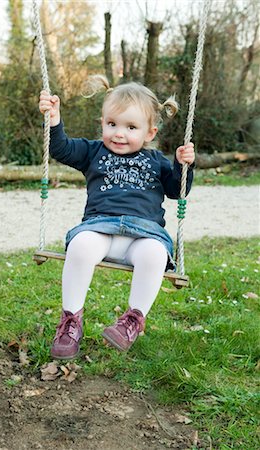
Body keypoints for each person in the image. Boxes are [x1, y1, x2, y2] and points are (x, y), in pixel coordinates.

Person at [39, 75, 195, 360]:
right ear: (102, 123)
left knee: (155, 255)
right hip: (101, 231)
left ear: (150, 132)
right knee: (81, 245)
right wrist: (54, 119)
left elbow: (176, 190)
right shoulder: (93, 152)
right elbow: (60, 148)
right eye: (112, 124)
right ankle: (71, 321)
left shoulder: (157, 161)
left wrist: (182, 165)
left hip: (143, 237)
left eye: (131, 127)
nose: (119, 133)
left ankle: (132, 321)